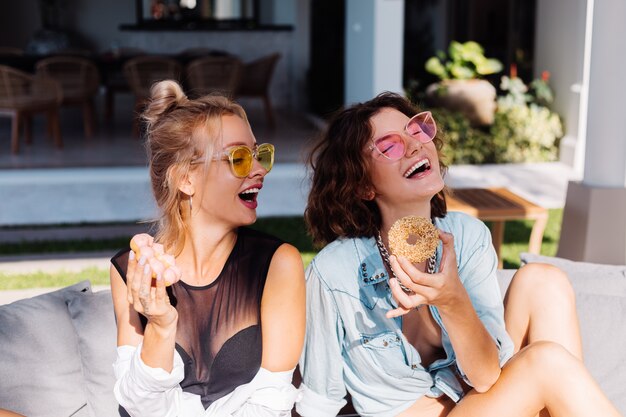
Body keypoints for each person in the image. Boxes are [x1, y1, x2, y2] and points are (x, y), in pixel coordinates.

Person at [296, 92, 622, 417]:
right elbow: (319, 401)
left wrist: (452, 300)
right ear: (364, 186)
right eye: (390, 145)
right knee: (546, 362)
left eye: (416, 130)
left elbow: (486, 377)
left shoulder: (466, 236)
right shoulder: (333, 274)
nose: (414, 145)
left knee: (543, 280)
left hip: (483, 401)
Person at [109, 80, 305, 417]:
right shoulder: (133, 268)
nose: (259, 170)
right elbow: (137, 405)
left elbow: (270, 401)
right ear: (186, 179)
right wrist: (160, 324)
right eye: (239, 158)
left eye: (259, 154)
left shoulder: (279, 263)